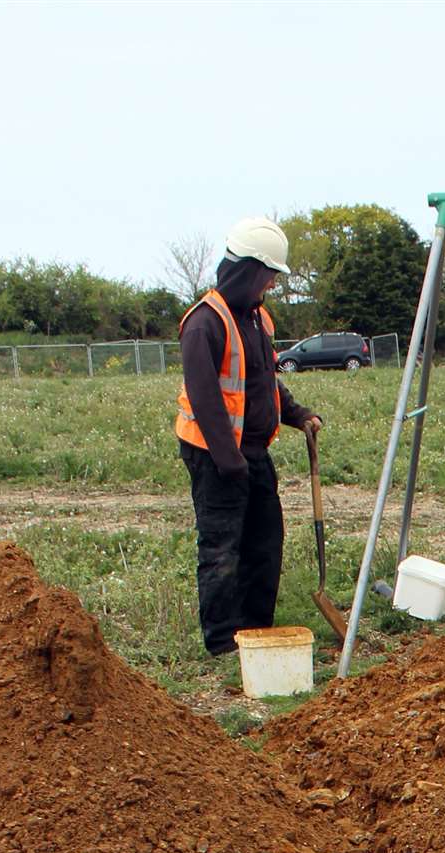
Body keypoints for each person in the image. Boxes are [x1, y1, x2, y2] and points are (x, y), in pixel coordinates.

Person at [175, 217, 322, 655]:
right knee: (222, 547)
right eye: (270, 277)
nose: (272, 286)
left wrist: (296, 414)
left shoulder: (258, 319)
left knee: (265, 540)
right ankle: (222, 641)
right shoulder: (205, 323)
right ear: (250, 271)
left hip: (252, 451)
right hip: (214, 455)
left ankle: (257, 629)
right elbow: (205, 399)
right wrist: (229, 461)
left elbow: (262, 380)